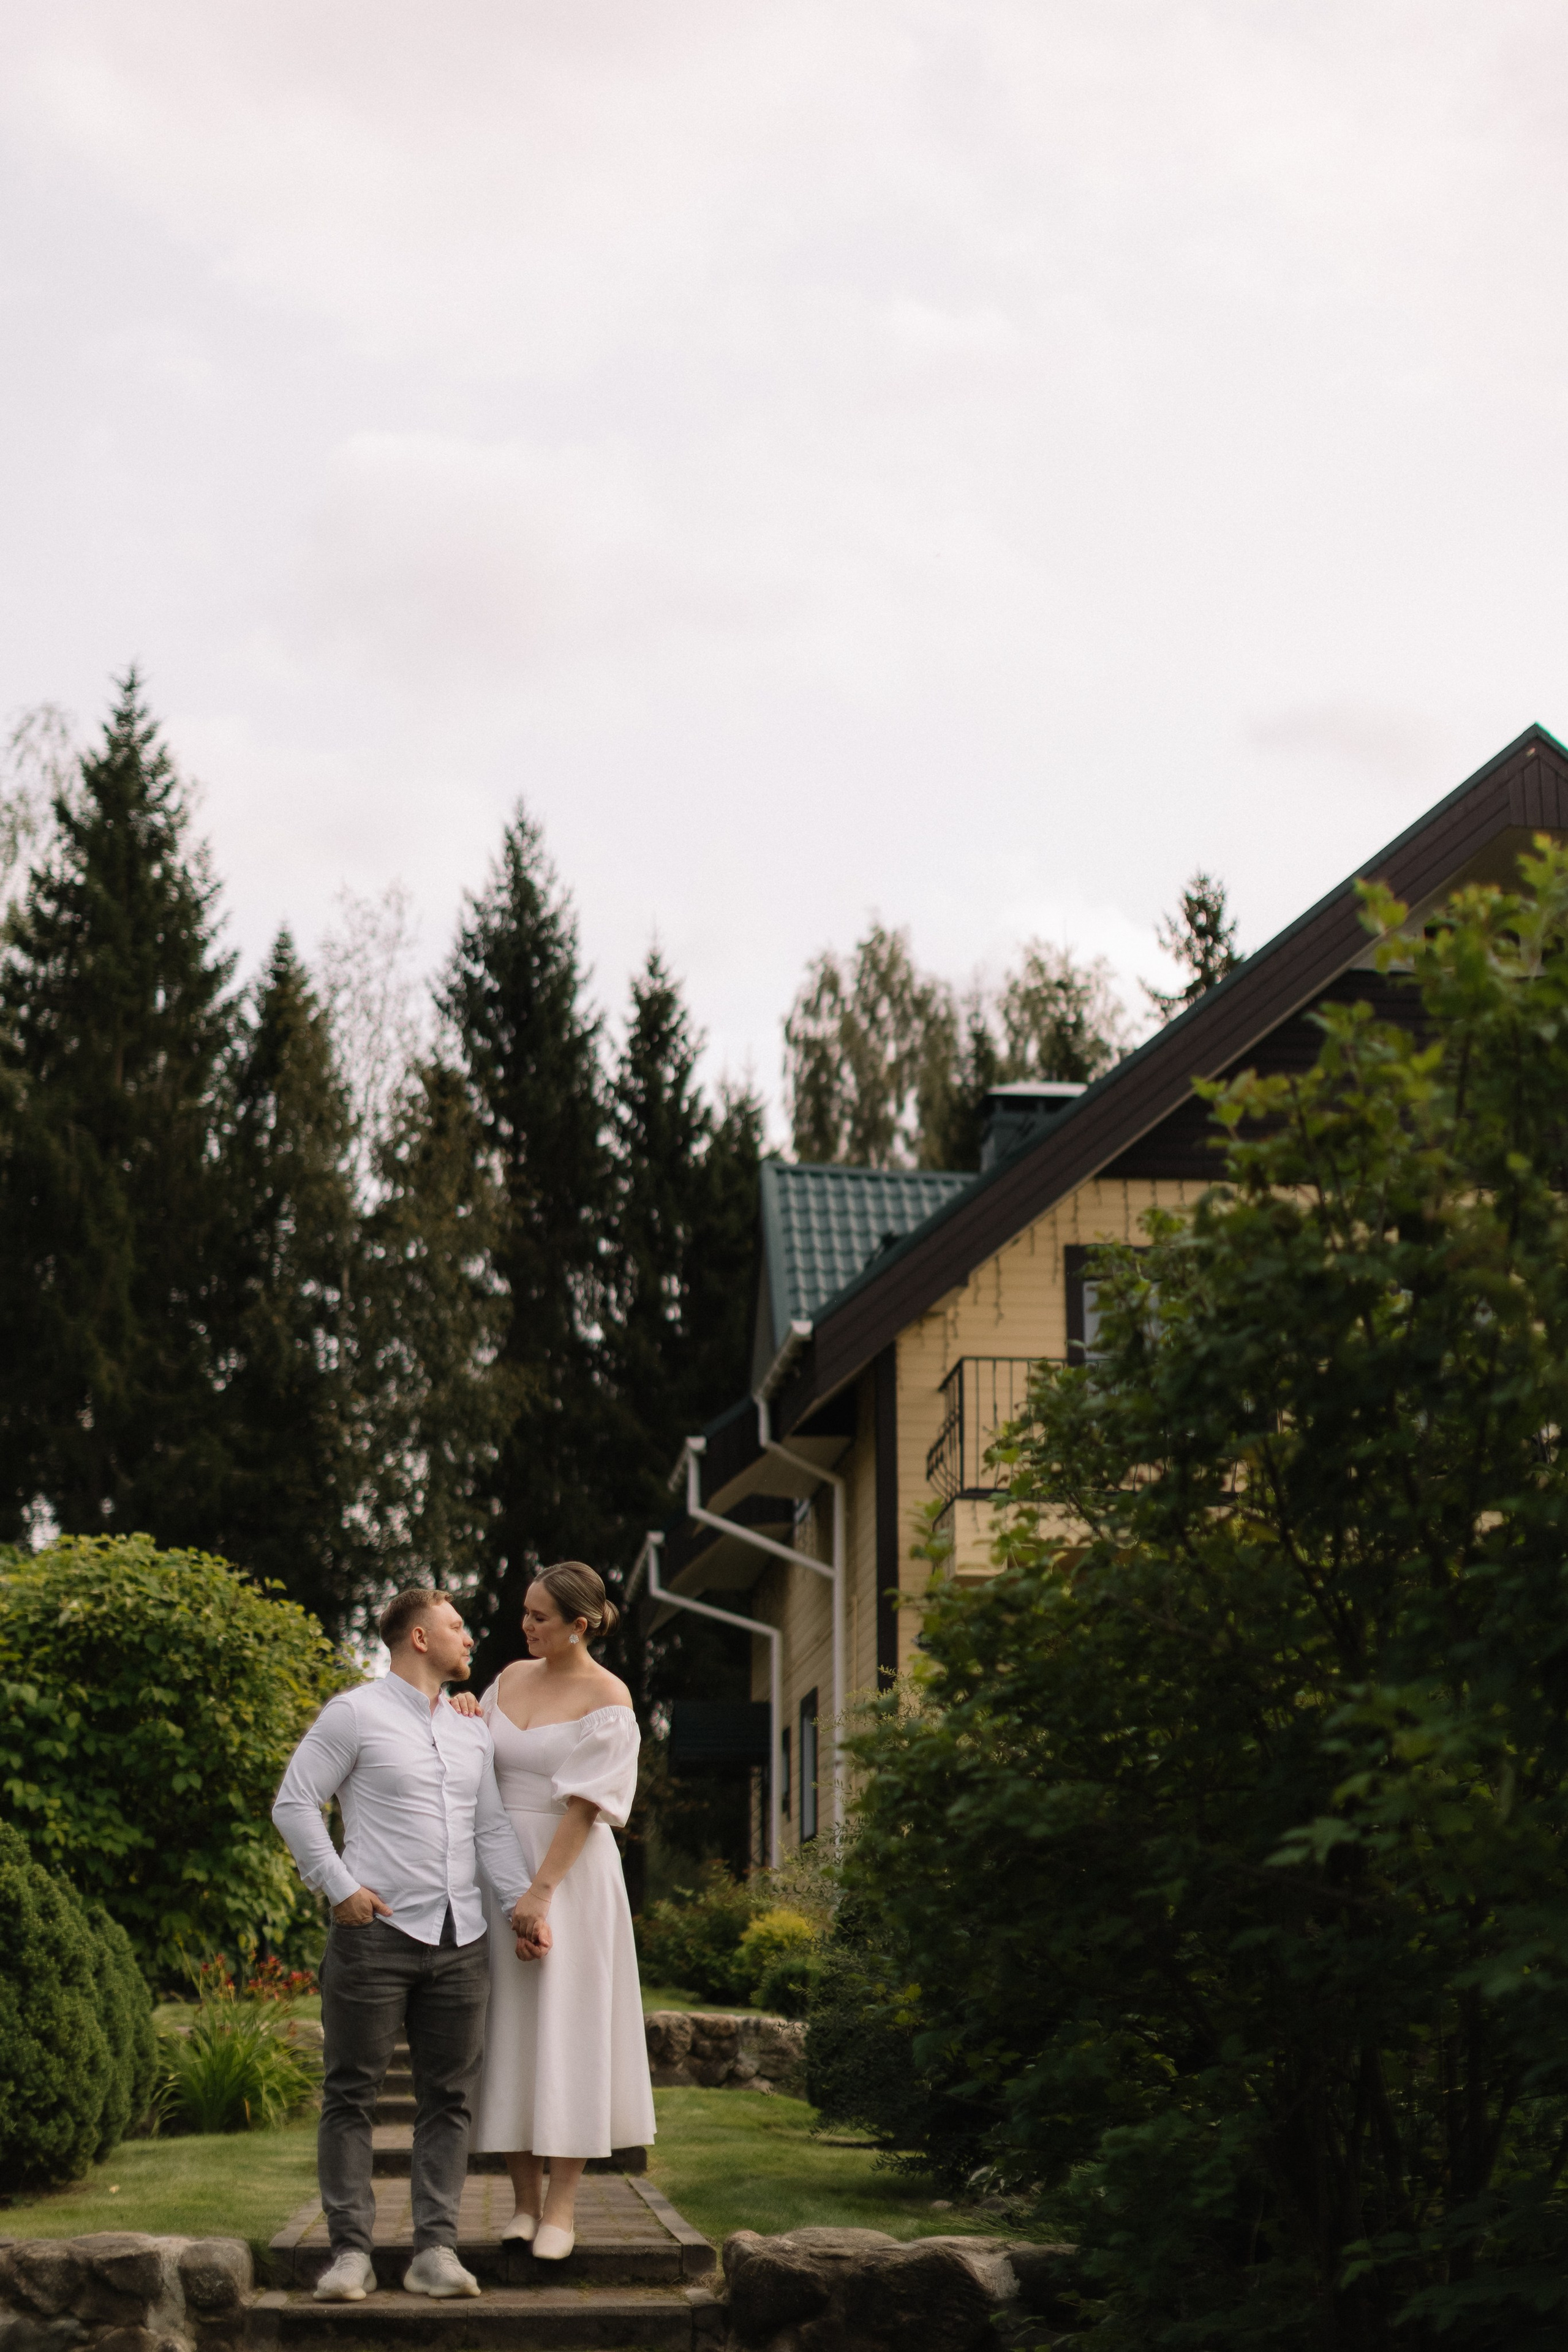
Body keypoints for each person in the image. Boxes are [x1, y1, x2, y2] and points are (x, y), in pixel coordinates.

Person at [272, 1588, 545, 2305]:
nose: (469, 1639)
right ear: (419, 1638)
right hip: (373, 1936)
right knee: (350, 2094)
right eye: (457, 1627)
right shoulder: (353, 1714)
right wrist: (339, 1887)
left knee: (449, 2099)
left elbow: (489, 1829)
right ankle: (350, 2255)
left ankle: (434, 2251)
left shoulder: (470, 1728)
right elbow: (295, 1803)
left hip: (463, 1940)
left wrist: (520, 1907)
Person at [448, 1561, 656, 2261]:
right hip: (495, 1865)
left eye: (540, 1617)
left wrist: (540, 1892)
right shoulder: (506, 1678)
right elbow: (469, 1759)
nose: (526, 1625)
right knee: (506, 2029)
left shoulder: (610, 1697)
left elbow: (589, 1804)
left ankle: (563, 2207)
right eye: (525, 1612)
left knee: (570, 2028)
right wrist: (463, 1713)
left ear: (581, 1624)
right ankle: (522, 2204)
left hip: (570, 1873)